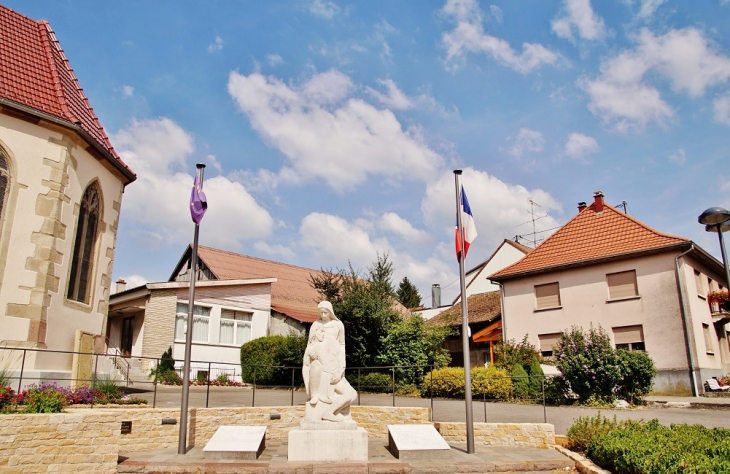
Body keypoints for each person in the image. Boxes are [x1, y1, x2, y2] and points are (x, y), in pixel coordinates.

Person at [302, 301, 358, 421]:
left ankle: (332, 412)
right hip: (323, 370)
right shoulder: (315, 325)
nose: (323, 315)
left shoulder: (338, 325)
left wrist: (341, 368)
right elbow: (309, 348)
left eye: (325, 312)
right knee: (349, 395)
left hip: (335, 366)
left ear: (330, 312)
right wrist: (309, 388)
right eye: (321, 312)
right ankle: (329, 412)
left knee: (353, 395)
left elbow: (342, 345)